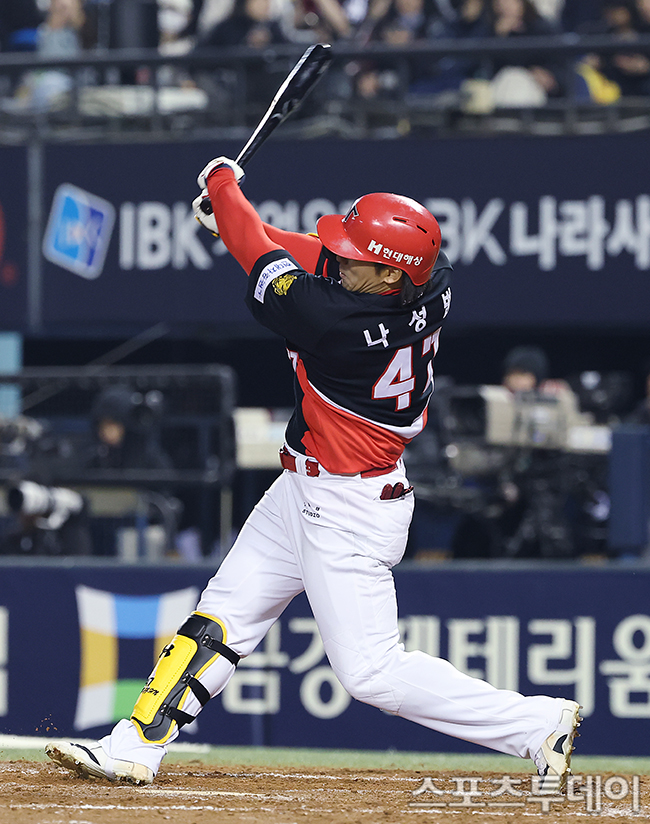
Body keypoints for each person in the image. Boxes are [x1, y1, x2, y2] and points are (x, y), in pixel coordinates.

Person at [45, 156, 581, 790]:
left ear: (389, 274)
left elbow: (271, 264)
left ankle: (533, 723)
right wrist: (233, 223)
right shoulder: (430, 280)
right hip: (307, 484)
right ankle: (134, 746)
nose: (342, 259)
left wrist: (225, 190)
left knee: (371, 673)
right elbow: (308, 255)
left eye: (359, 256)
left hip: (349, 505)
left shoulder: (336, 325)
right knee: (224, 612)